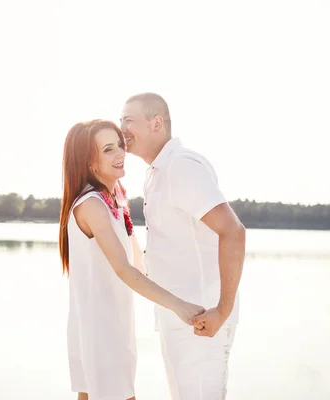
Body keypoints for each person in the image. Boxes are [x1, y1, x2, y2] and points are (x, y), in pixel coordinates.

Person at [58, 119, 205, 400]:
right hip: (98, 327)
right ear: (89, 161)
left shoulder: (116, 197)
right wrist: (178, 306)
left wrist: (185, 283)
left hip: (114, 322)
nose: (120, 154)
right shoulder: (91, 205)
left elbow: (138, 261)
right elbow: (124, 269)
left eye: (120, 146)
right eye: (108, 150)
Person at [120, 93, 246, 400]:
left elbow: (233, 231)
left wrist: (222, 311)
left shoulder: (181, 167)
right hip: (179, 315)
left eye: (128, 121)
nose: (121, 128)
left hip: (203, 317)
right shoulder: (157, 173)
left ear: (157, 123)